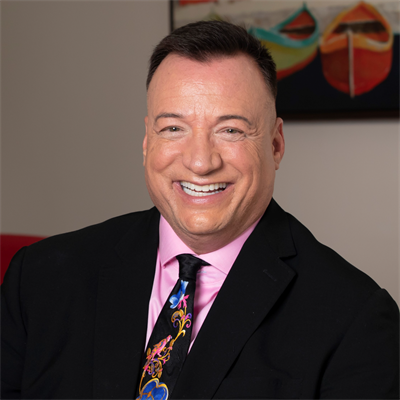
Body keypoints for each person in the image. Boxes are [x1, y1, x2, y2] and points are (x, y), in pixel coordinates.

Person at [1, 21, 399, 400]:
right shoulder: (38, 280)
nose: (200, 161)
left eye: (231, 130)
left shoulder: (354, 320)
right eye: (173, 128)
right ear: (147, 142)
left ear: (275, 145)